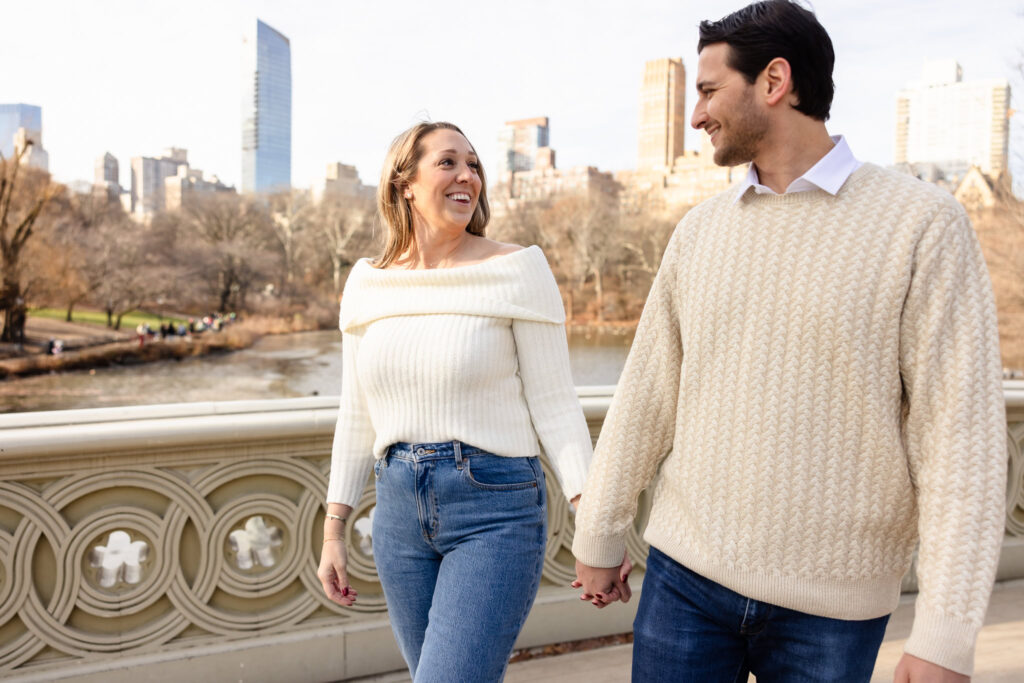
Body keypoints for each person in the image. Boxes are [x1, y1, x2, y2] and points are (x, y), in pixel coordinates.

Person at [571, 2, 1007, 682]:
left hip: (832, 609)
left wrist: (947, 634)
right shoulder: (700, 229)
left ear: (774, 82)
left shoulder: (924, 225)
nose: (696, 115)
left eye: (710, 90)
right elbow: (647, 393)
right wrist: (600, 529)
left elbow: (960, 440)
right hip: (684, 580)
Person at [317, 121, 594, 682]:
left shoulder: (516, 268)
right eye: (447, 162)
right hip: (395, 513)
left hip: (494, 511)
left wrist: (595, 525)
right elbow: (356, 415)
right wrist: (333, 531)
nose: (468, 174)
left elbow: (556, 407)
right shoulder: (368, 282)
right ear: (405, 183)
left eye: (473, 164)